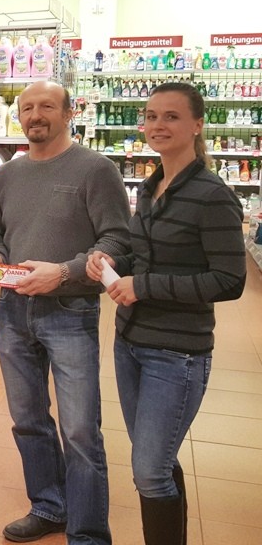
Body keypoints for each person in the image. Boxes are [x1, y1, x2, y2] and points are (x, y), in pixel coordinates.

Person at [86, 83, 245, 545]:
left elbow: (229, 280)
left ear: (197, 125)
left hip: (177, 353)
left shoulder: (212, 195)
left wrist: (143, 285)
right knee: (157, 460)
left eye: (172, 117)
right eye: (151, 115)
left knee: (149, 471)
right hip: (130, 344)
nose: (158, 125)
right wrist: (114, 265)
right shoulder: (150, 186)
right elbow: (147, 257)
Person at [0, 80, 130, 544]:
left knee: (81, 430)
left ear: (68, 113)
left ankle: (87, 532)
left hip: (71, 310)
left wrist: (62, 273)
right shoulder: (9, 173)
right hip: (13, 309)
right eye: (27, 108)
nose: (35, 115)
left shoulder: (95, 169)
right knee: (28, 419)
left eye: (46, 106)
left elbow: (117, 242)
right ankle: (49, 505)